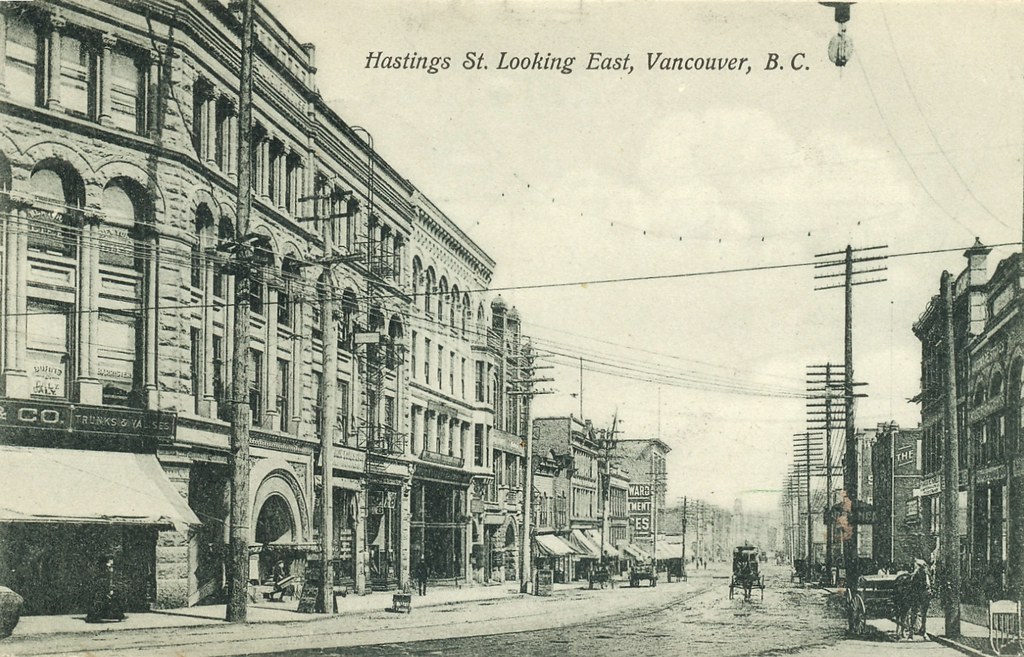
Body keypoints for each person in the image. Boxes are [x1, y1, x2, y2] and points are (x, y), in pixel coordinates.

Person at [86, 556, 125, 623]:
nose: (111, 568)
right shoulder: (103, 572)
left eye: (112, 566)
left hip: (106, 590)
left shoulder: (109, 573)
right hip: (102, 590)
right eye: (110, 566)